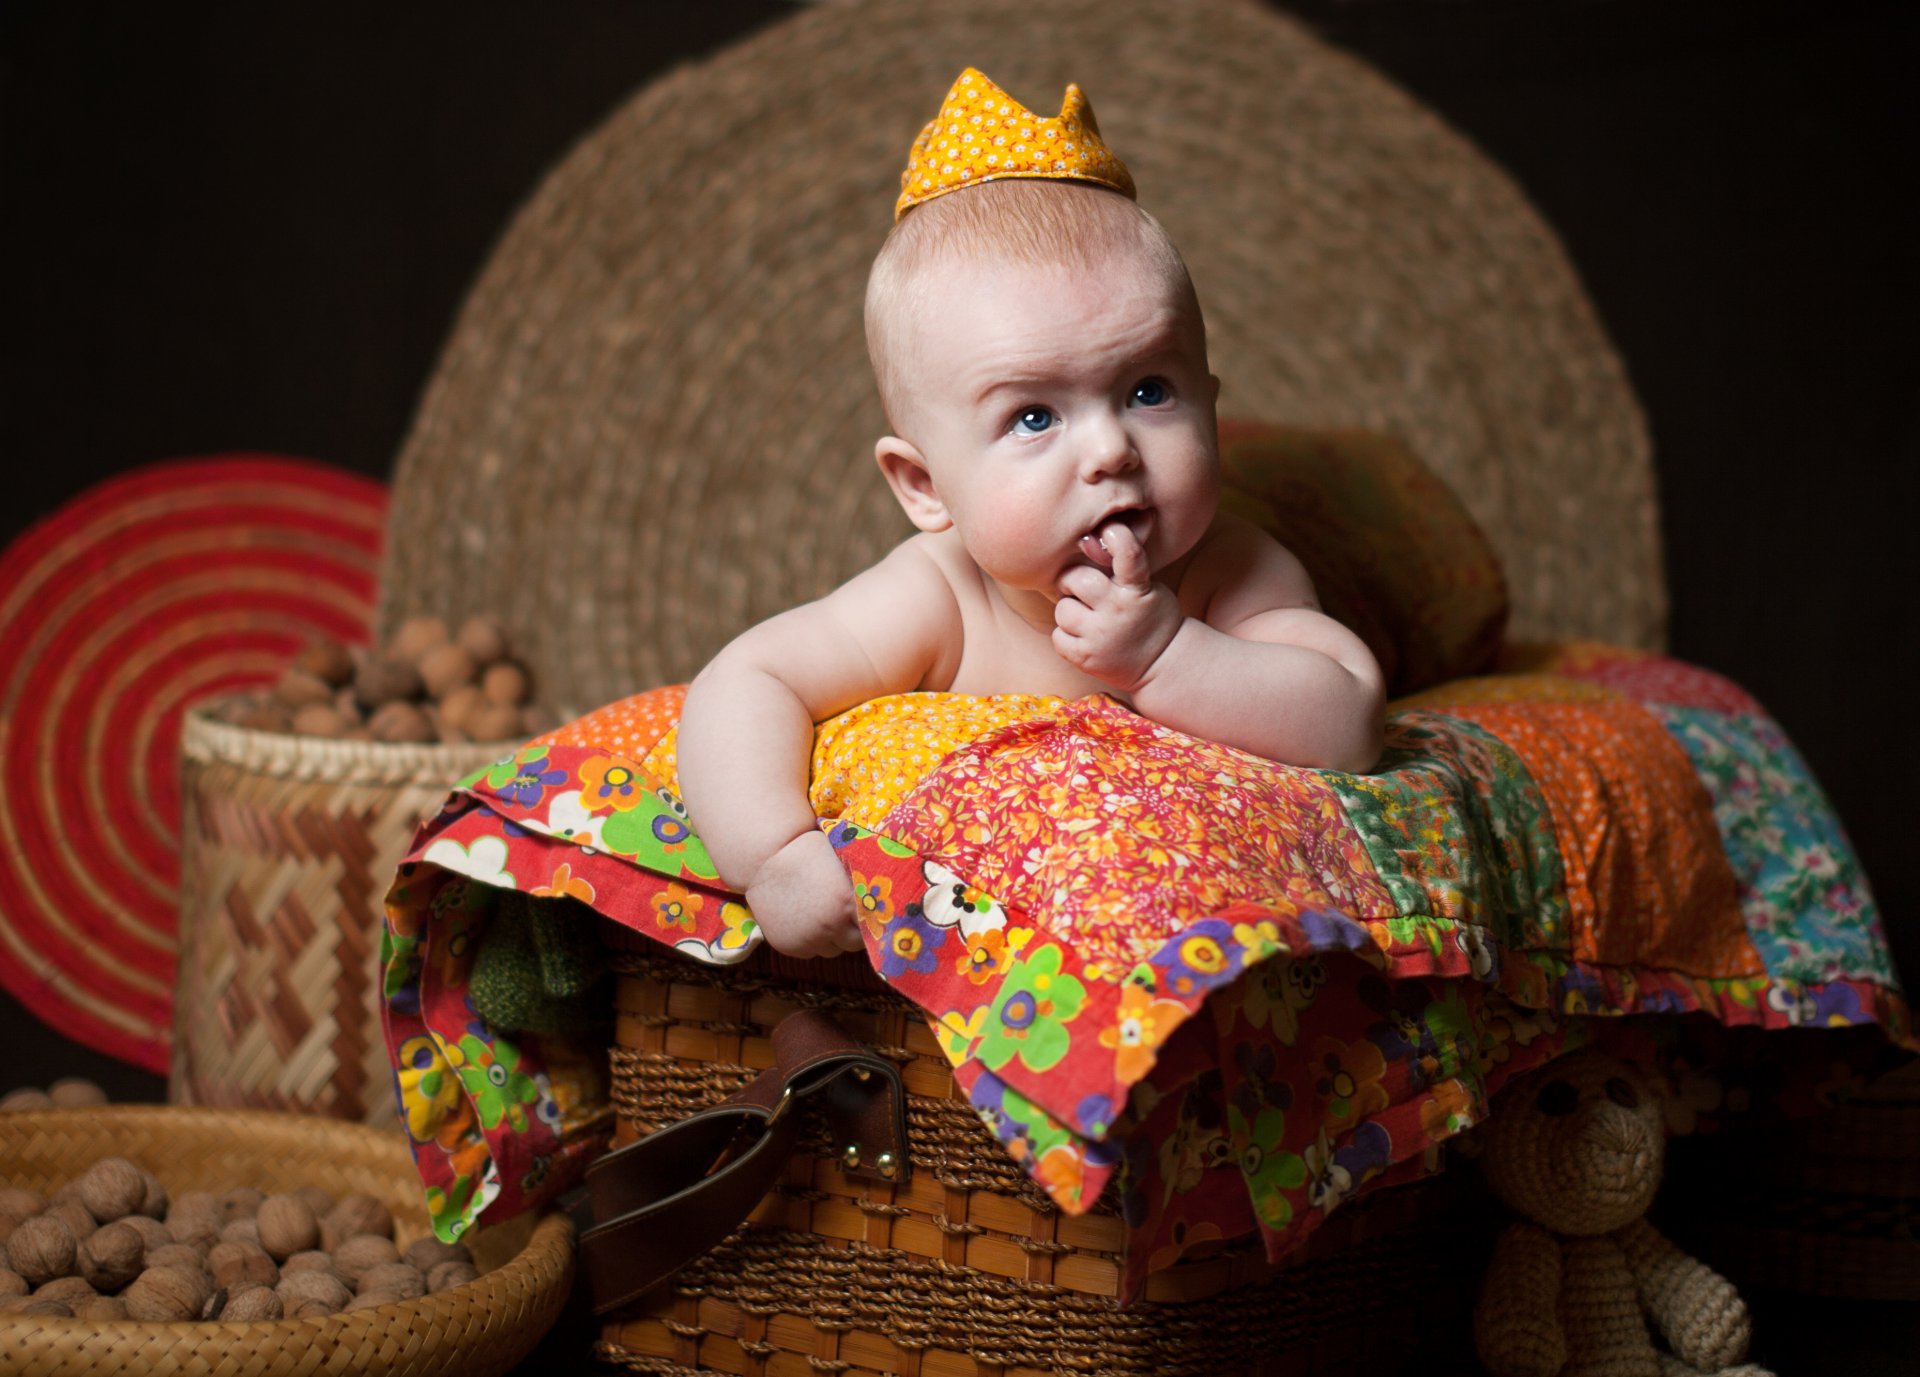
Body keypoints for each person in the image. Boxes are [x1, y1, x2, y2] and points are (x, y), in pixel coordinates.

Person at [677, 69, 1384, 960]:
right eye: (1034, 417)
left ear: (1211, 402)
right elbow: (747, 681)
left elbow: (1350, 720)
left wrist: (1168, 654)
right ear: (924, 486)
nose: (1110, 451)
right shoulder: (940, 597)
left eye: (1148, 389)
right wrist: (774, 855)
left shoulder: (1227, 571)